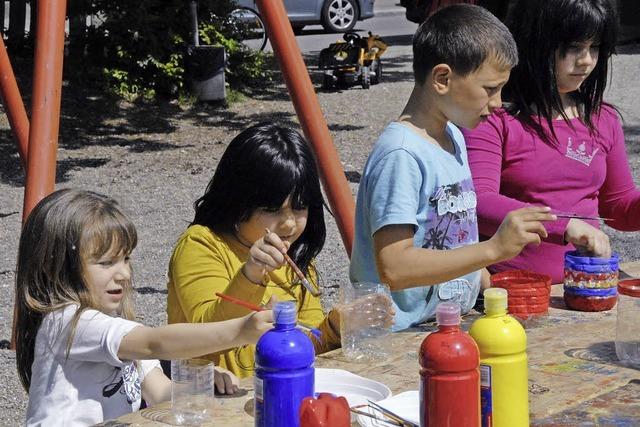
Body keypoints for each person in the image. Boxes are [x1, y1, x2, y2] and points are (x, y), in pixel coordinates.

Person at [349, 4, 556, 331]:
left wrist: (491, 287)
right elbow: (395, 267)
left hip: (444, 326)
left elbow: (454, 240)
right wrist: (493, 249)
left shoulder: (455, 138)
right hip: (398, 339)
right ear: (442, 78)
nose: (498, 103)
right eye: (490, 89)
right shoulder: (401, 155)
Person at [15, 189, 274, 426]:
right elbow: (154, 343)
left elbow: (159, 392)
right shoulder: (69, 322)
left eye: (125, 259)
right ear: (56, 267)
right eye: (107, 263)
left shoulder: (115, 324)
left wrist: (196, 385)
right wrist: (242, 330)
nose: (124, 274)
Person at [167, 123, 372, 380]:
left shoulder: (296, 258)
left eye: (300, 208)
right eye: (273, 209)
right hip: (213, 396)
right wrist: (251, 275)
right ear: (238, 200)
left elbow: (308, 346)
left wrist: (337, 325)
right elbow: (206, 330)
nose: (288, 223)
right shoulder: (201, 244)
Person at [463, 0, 637, 283]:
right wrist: (565, 226)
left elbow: (619, 205)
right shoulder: (494, 116)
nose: (586, 60)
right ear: (536, 42)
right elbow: (477, 202)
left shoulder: (602, 118)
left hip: (588, 286)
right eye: (573, 47)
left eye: (594, 47)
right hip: (513, 292)